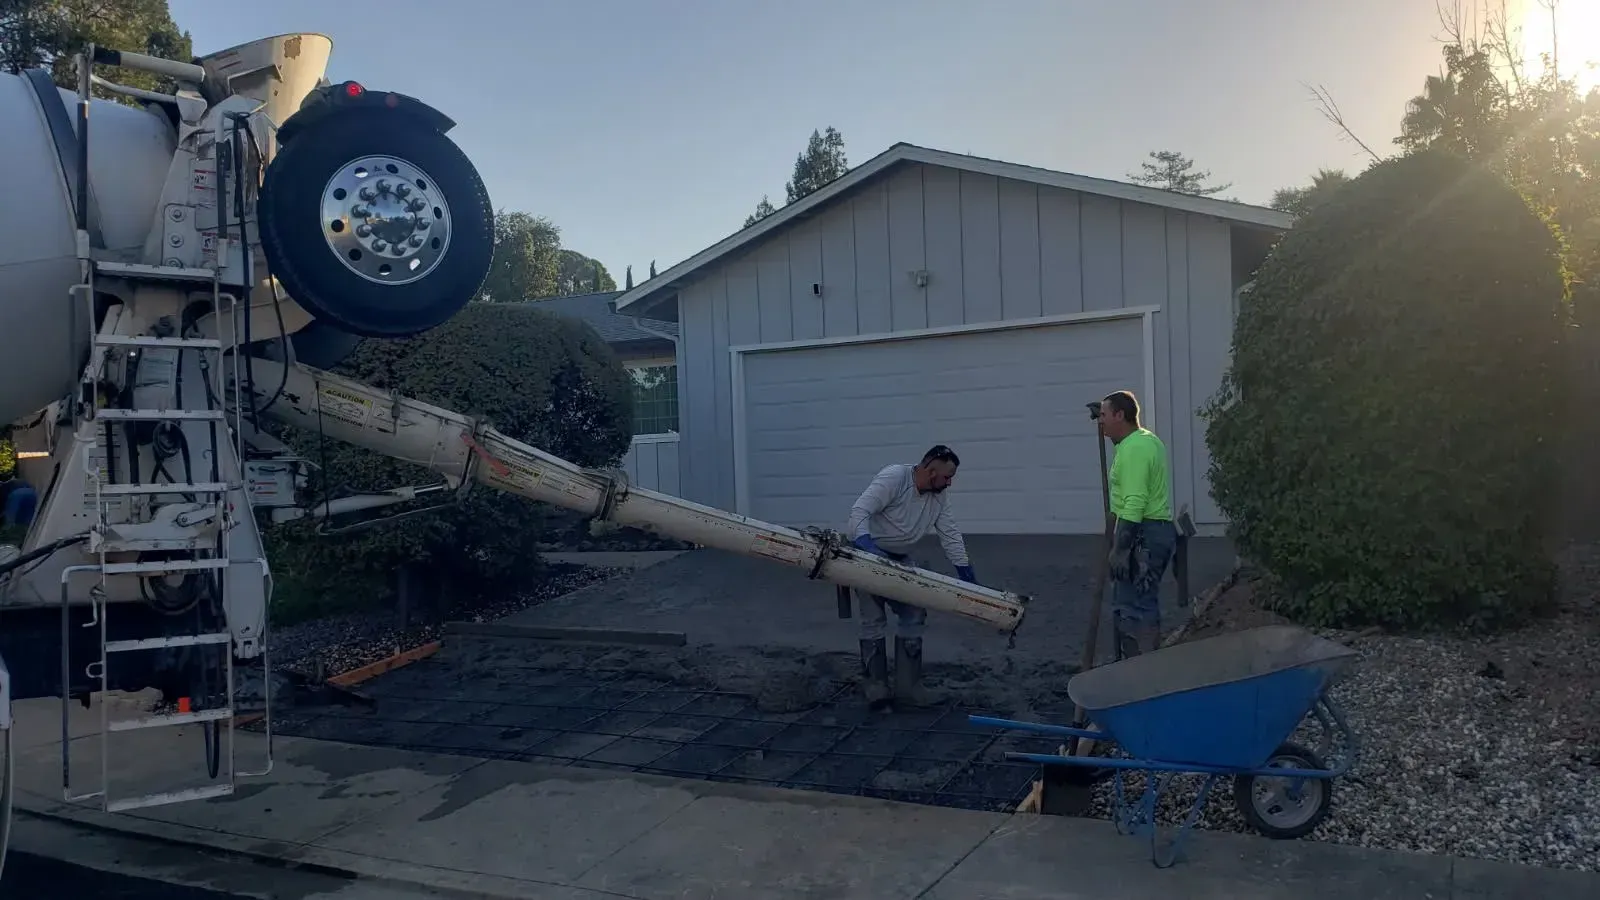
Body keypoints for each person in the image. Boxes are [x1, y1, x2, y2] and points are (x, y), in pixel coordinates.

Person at [845, 444, 978, 709]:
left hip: (902, 560)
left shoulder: (938, 498)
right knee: (873, 618)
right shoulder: (894, 477)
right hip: (869, 554)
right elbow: (859, 512)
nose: (949, 483)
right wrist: (866, 546)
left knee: (914, 612)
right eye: (947, 477)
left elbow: (950, 533)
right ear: (930, 472)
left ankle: (909, 687)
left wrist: (965, 571)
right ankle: (876, 685)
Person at [1097, 390, 1176, 660]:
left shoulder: (1134, 448)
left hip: (1143, 533)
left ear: (1120, 415)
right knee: (1137, 601)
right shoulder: (1144, 441)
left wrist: (1120, 548)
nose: (1101, 422)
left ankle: (1139, 669)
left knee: (1133, 606)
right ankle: (1139, 665)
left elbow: (1135, 500)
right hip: (1153, 531)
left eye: (1105, 415)